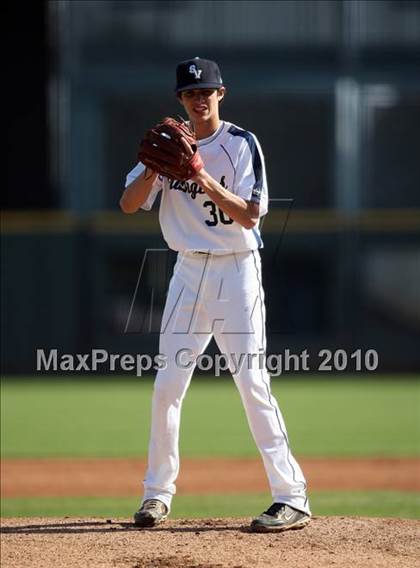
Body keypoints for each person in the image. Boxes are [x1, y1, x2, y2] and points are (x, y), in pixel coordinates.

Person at [120, 57, 311, 532]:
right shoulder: (169, 144)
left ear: (221, 94)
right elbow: (127, 205)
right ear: (180, 99)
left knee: (251, 382)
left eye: (206, 91)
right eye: (189, 93)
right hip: (186, 273)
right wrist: (150, 168)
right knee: (167, 388)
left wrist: (199, 174)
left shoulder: (241, 144)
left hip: (236, 272)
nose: (198, 98)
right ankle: (156, 495)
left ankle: (292, 497)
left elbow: (250, 215)